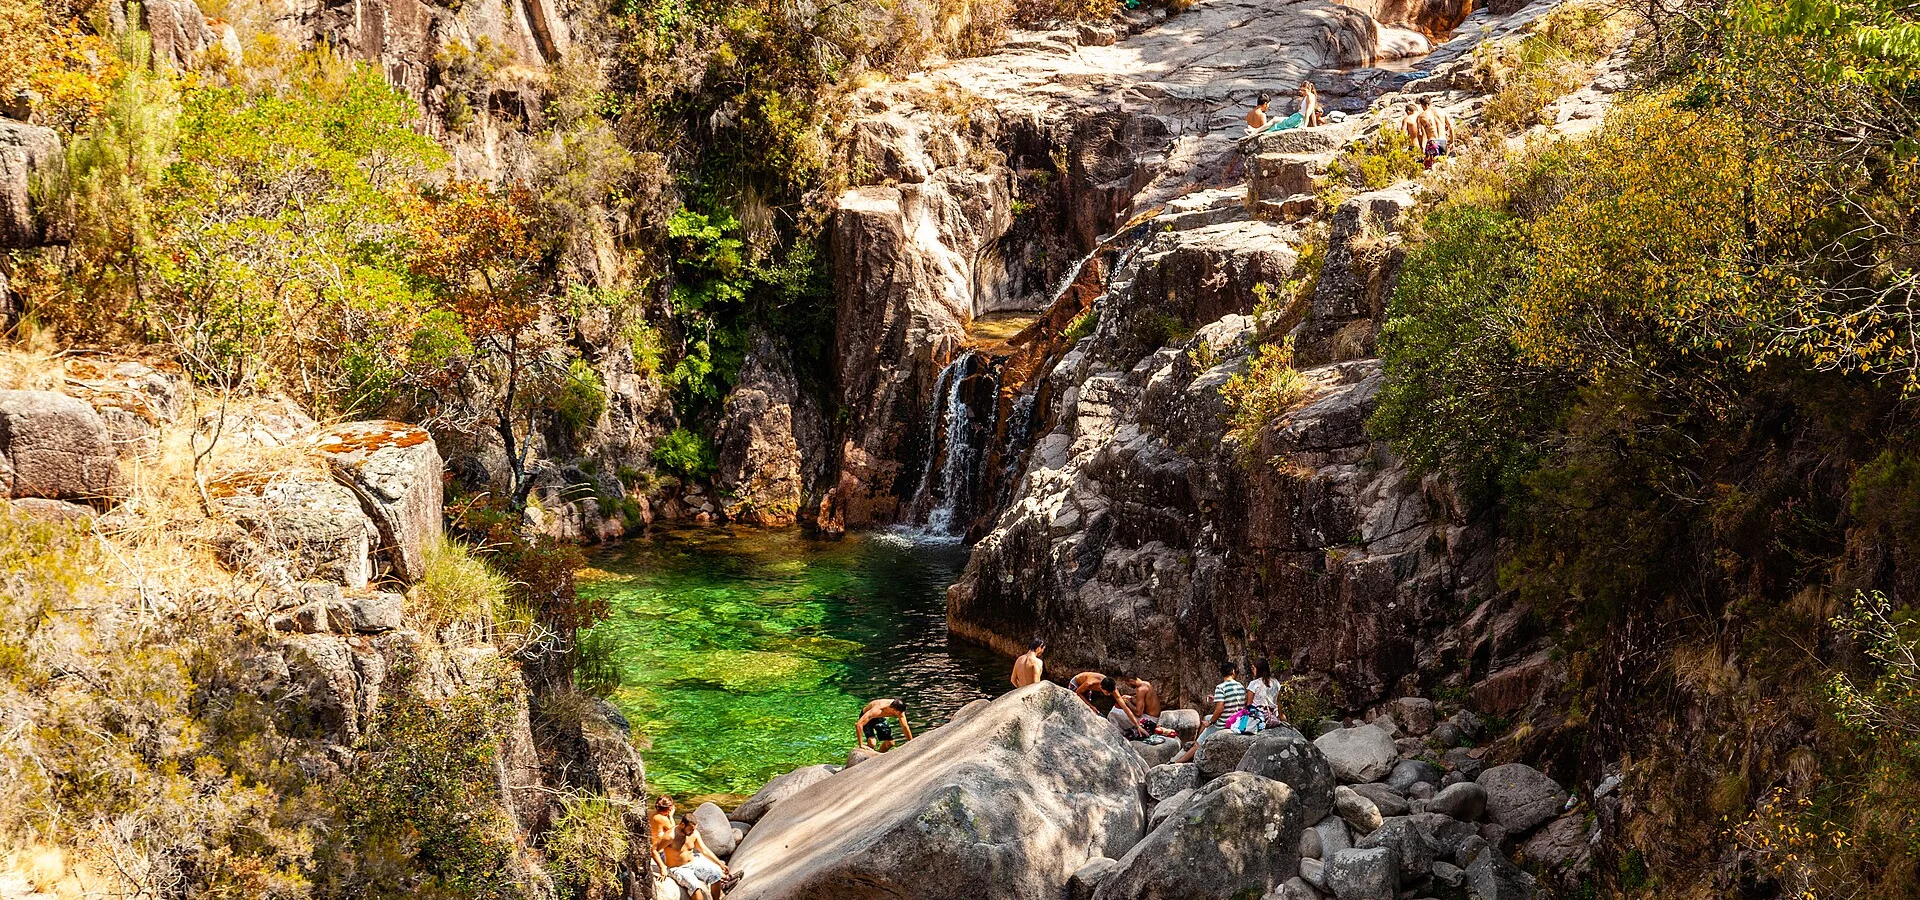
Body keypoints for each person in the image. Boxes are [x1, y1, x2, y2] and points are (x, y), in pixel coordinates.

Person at [1174, 661, 1248, 763]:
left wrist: (1211, 722)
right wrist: (1216, 699)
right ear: (1233, 672)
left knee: (1205, 726)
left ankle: (1178, 761)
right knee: (1206, 717)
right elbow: (1235, 701)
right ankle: (1198, 739)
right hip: (1236, 720)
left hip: (1223, 723)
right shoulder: (1240, 686)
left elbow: (1220, 709)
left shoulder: (1221, 687)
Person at [656, 813, 737, 900]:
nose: (692, 832)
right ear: (682, 824)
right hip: (678, 868)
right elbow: (653, 850)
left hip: (693, 863)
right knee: (694, 886)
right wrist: (662, 867)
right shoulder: (670, 836)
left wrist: (720, 864)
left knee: (716, 875)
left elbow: (704, 850)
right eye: (690, 830)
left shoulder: (694, 833)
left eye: (694, 829)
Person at [1071, 671, 1146, 739]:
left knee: (1091, 711)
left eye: (1110, 693)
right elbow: (1078, 693)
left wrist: (1137, 725)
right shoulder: (1090, 683)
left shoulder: (1112, 688)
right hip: (1077, 685)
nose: (1109, 695)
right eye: (1107, 693)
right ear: (1101, 688)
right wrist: (1091, 706)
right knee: (1083, 709)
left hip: (1087, 689)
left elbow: (1125, 707)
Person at [1413, 96, 1453, 169]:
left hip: (1432, 142)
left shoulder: (1421, 116)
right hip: (1442, 141)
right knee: (1443, 165)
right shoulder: (1442, 111)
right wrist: (1451, 141)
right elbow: (1450, 126)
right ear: (1430, 102)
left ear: (1422, 105)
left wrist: (1422, 147)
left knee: (1431, 167)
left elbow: (1420, 133)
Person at [1246, 659, 1283, 728]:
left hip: (1258, 717)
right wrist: (1281, 715)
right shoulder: (1276, 682)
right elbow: (1278, 701)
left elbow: (1249, 704)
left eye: (1253, 668)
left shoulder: (1254, 684)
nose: (1252, 670)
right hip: (1273, 717)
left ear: (1258, 669)